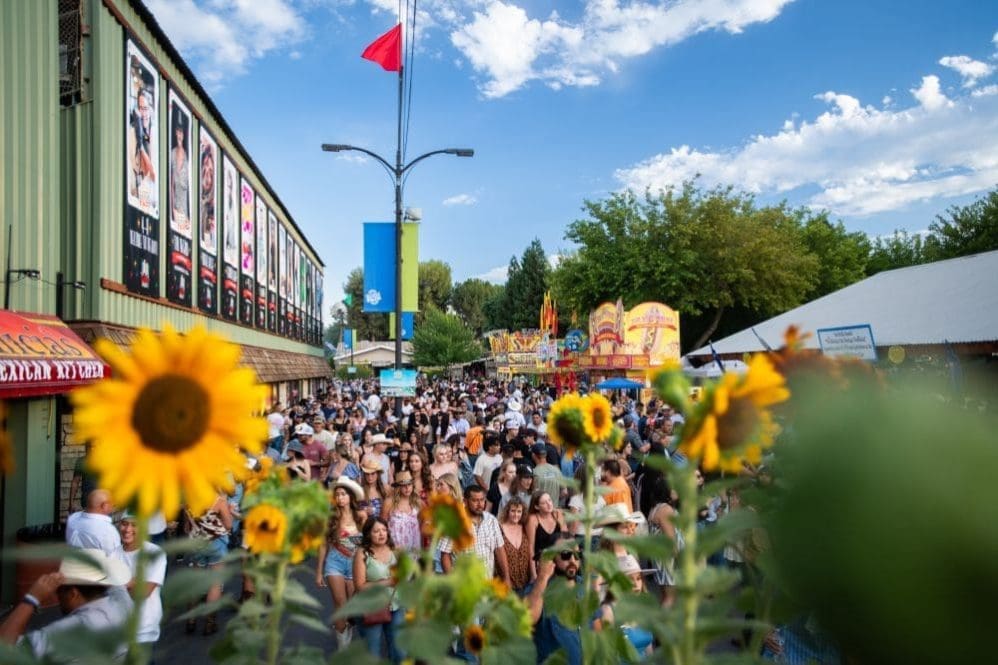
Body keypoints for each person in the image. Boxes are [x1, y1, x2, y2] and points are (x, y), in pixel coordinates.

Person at [0, 549, 132, 659]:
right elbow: (118, 586)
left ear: (73, 593)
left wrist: (31, 599)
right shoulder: (123, 605)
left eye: (58, 589)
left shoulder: (72, 630)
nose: (57, 595)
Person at [317, 477, 367, 648]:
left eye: (343, 494)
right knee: (340, 603)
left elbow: (367, 542)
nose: (340, 498)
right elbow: (323, 544)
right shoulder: (331, 517)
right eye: (337, 495)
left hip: (355, 563)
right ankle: (342, 647)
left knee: (351, 606)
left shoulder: (361, 516)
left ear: (351, 497)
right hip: (335, 562)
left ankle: (347, 628)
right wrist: (318, 572)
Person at [525, 539, 583, 665]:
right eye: (566, 554)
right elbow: (528, 618)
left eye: (577, 555)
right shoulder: (536, 591)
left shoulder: (585, 586)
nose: (573, 560)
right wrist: (543, 577)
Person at [353, 517, 402, 663]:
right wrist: (388, 582)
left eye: (384, 530)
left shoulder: (395, 550)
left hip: (396, 605)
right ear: (368, 534)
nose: (381, 534)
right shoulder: (362, 554)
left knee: (400, 652)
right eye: (376, 531)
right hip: (372, 607)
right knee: (372, 654)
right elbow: (360, 586)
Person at [440, 485, 511, 586]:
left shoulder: (491, 520)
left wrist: (506, 578)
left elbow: (499, 549)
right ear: (465, 501)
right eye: (475, 500)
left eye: (482, 500)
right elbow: (445, 555)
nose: (480, 504)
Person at [183, 492, 232, 635]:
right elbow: (228, 525)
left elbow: (187, 527)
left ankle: (191, 620)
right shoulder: (218, 500)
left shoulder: (188, 499)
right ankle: (209, 623)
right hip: (216, 544)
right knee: (215, 584)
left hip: (197, 545)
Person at [118, 512, 167, 649]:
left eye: (134, 525)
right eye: (124, 524)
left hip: (144, 629)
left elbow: (142, 593)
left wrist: (118, 582)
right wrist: (134, 581)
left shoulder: (154, 553)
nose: (128, 529)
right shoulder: (112, 554)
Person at [592, 554, 654, 659]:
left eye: (638, 578)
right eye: (630, 579)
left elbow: (649, 648)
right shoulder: (608, 611)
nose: (636, 584)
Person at [66, 489, 122, 559]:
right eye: (112, 504)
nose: (113, 506)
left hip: (72, 566)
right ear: (104, 506)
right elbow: (114, 561)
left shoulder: (73, 518)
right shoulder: (108, 531)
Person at [526, 491, 567, 576]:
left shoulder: (557, 514)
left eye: (549, 500)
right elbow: (531, 547)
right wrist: (533, 574)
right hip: (542, 562)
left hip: (558, 560)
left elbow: (566, 540)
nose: (549, 504)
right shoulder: (533, 519)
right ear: (537, 507)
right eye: (544, 503)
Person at [383, 470, 422, 552]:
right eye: (403, 485)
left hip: (413, 546)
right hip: (395, 545)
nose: (407, 488)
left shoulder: (417, 501)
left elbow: (426, 520)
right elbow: (382, 524)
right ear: (398, 487)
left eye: (409, 484)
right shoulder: (389, 502)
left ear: (412, 485)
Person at [499, 497, 532, 593]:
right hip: (506, 584)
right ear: (507, 511)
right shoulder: (499, 527)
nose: (516, 514)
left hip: (525, 583)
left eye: (519, 511)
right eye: (513, 511)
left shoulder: (525, 528)